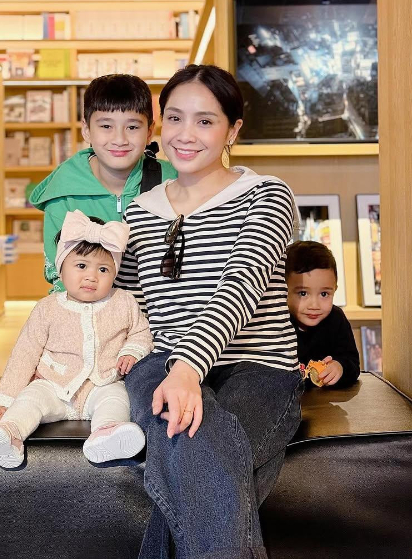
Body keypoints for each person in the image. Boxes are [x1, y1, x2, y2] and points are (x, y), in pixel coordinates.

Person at [119, 64, 302, 558]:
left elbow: (241, 283)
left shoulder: (266, 194)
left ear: (233, 130)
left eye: (205, 121)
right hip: (158, 362)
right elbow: (122, 305)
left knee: (193, 450)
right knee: (197, 447)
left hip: (257, 366)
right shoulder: (138, 210)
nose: (185, 135)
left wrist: (189, 369)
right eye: (174, 118)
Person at [0, 211, 150, 468]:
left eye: (103, 269)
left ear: (115, 273)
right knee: (30, 399)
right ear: (61, 268)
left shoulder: (123, 301)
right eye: (81, 266)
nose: (92, 276)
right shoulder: (48, 308)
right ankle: (9, 435)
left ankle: (107, 434)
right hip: (53, 384)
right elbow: (24, 354)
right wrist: (5, 399)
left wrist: (132, 352)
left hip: (101, 383)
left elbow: (141, 332)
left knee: (116, 399)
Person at [29, 74, 178, 292]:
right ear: (87, 129)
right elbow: (61, 277)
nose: (119, 139)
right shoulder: (63, 194)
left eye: (133, 127)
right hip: (92, 315)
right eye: (106, 126)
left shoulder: (173, 179)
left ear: (149, 132)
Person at [286, 241, 361, 389]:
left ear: (335, 289)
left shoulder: (336, 319)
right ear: (283, 290)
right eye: (303, 293)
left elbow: (352, 363)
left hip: (324, 399)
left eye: (324, 294)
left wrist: (339, 367)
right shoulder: (277, 319)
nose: (314, 305)